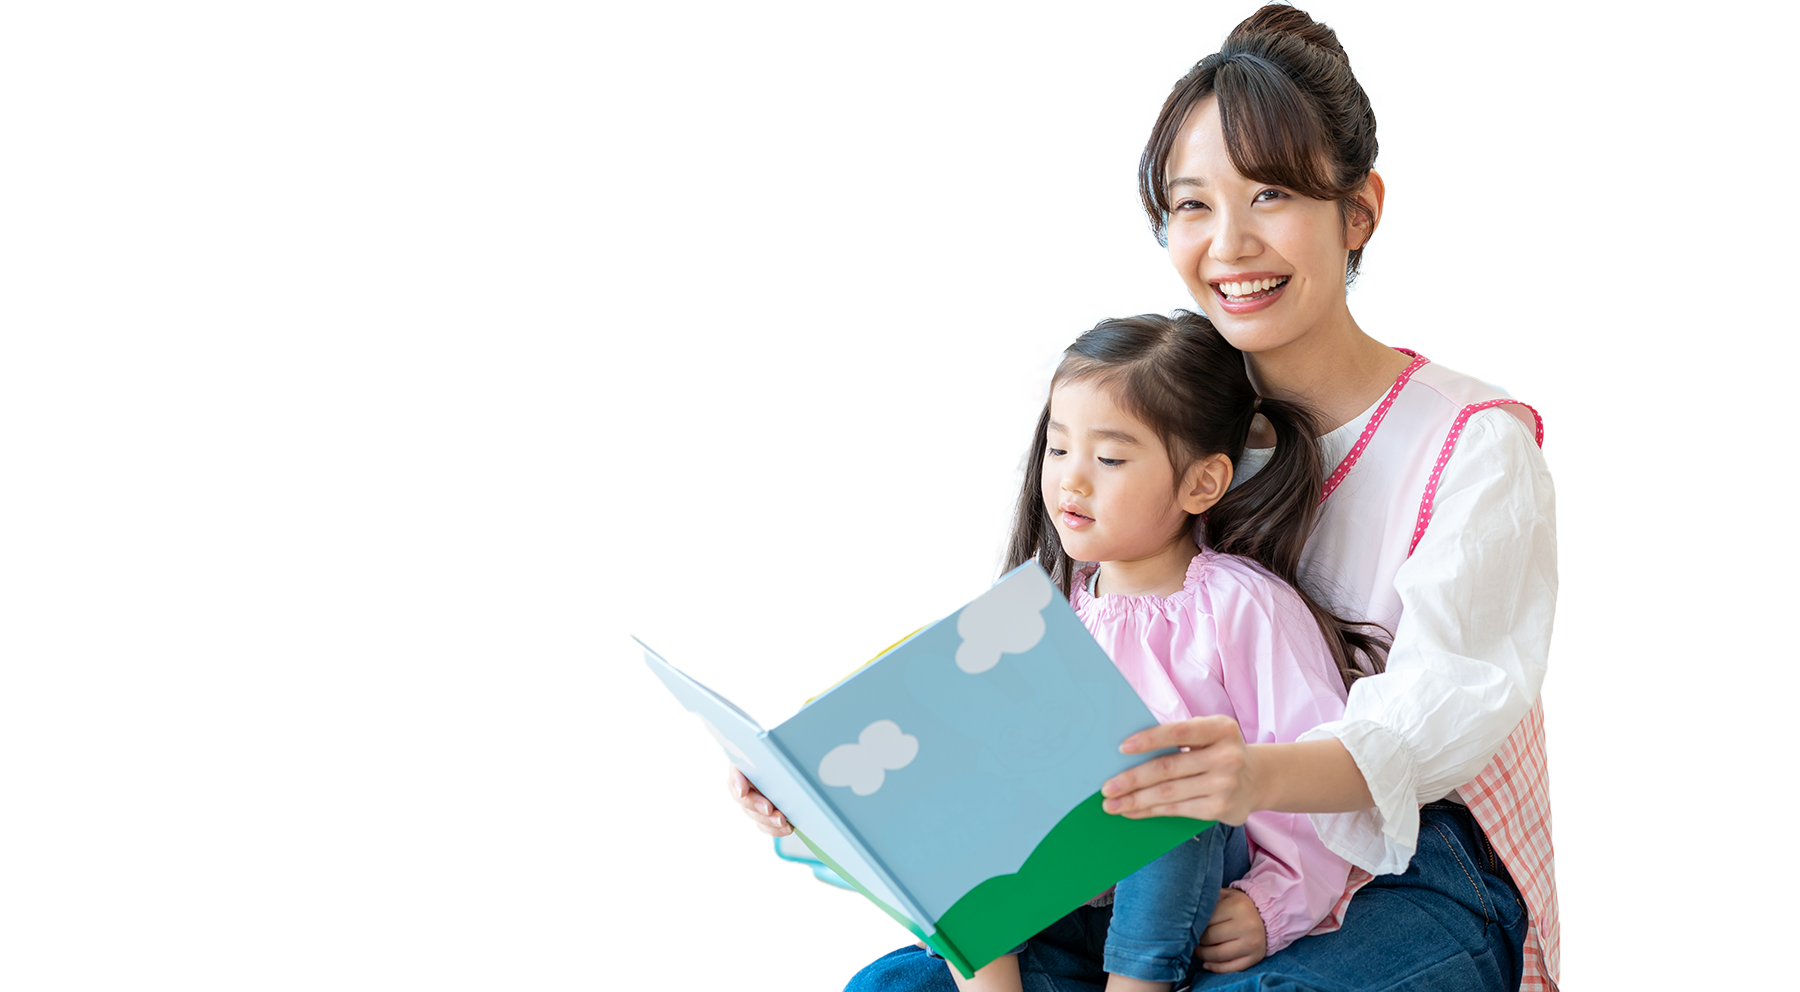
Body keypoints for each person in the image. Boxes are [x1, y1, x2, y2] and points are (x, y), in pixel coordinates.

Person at [734, 4, 1560, 989]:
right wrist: (830, 791)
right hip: (1148, 856)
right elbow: (1013, 692)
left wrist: (1251, 784)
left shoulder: (1472, 443)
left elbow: (1439, 715)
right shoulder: (1154, 426)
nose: (1230, 242)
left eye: (1270, 194)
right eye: (1192, 204)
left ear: (1359, 211)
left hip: (1408, 859)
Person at [942, 310, 1375, 992]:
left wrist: (1271, 904)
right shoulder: (1042, 610)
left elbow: (1315, 771)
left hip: (1184, 899)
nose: (1071, 481)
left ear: (1200, 483)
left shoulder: (1240, 604)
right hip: (1062, 904)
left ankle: (1136, 983)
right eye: (1058, 449)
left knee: (1171, 784)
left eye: (1109, 459)